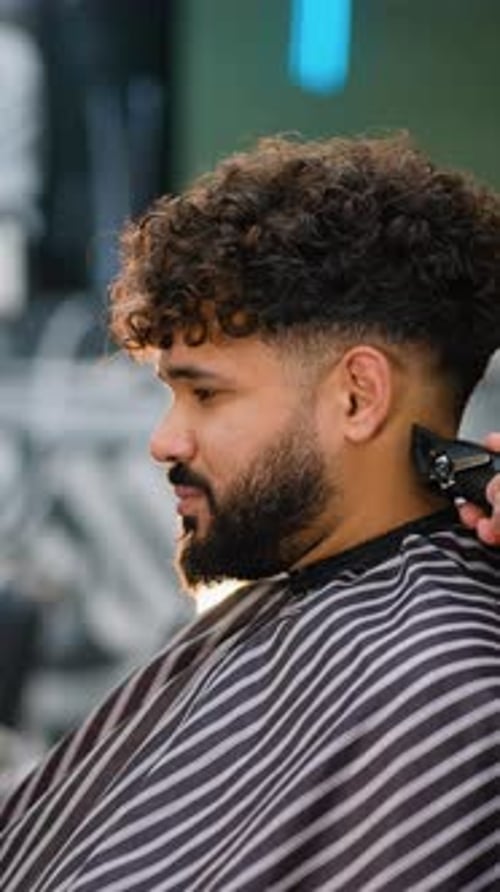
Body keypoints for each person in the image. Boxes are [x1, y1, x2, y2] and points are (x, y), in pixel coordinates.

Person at [1, 133, 500, 890]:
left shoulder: (446, 692)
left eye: (206, 393)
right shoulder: (291, 626)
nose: (164, 440)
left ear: (358, 395)